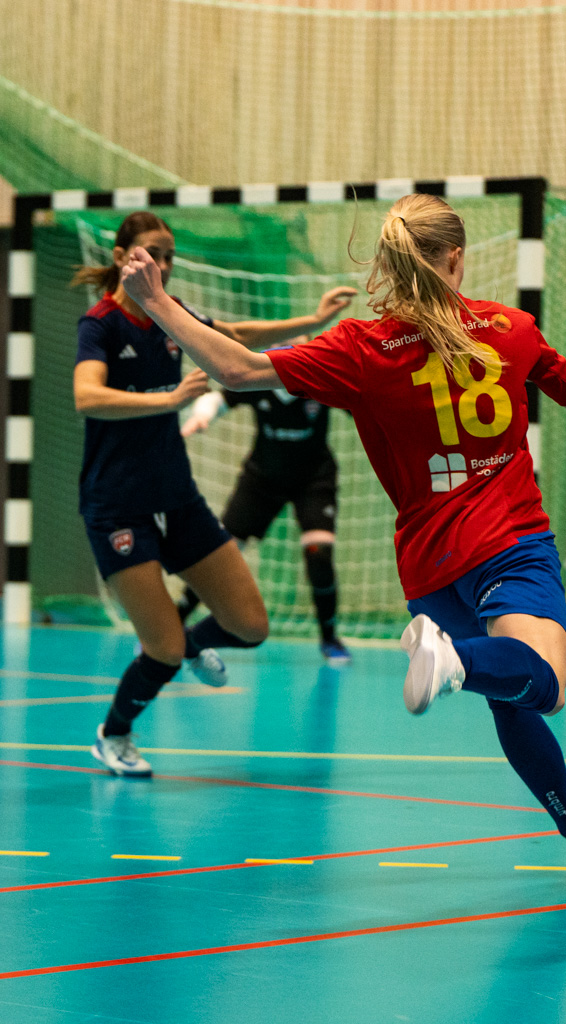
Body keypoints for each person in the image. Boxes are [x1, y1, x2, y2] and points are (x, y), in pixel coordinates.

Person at [120, 194, 566, 868]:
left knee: (507, 694)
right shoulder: (512, 328)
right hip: (509, 543)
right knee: (542, 681)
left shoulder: (362, 348)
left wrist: (157, 302)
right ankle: (454, 662)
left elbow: (237, 369)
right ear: (455, 258)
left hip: (430, 567)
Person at [73, 210, 355, 777]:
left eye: (169, 256)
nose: (163, 264)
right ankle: (114, 734)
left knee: (250, 625)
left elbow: (239, 337)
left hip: (177, 499)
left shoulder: (172, 315)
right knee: (161, 649)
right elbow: (87, 397)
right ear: (124, 256)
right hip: (117, 506)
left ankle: (194, 643)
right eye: (152, 253)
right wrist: (169, 401)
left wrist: (314, 319)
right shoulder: (101, 325)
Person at [178, 359, 352, 665]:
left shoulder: (319, 376)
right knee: (223, 553)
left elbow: (364, 402)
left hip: (314, 478)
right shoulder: (259, 376)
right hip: (262, 480)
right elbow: (219, 399)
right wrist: (202, 415)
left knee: (319, 553)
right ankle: (174, 622)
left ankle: (329, 638)